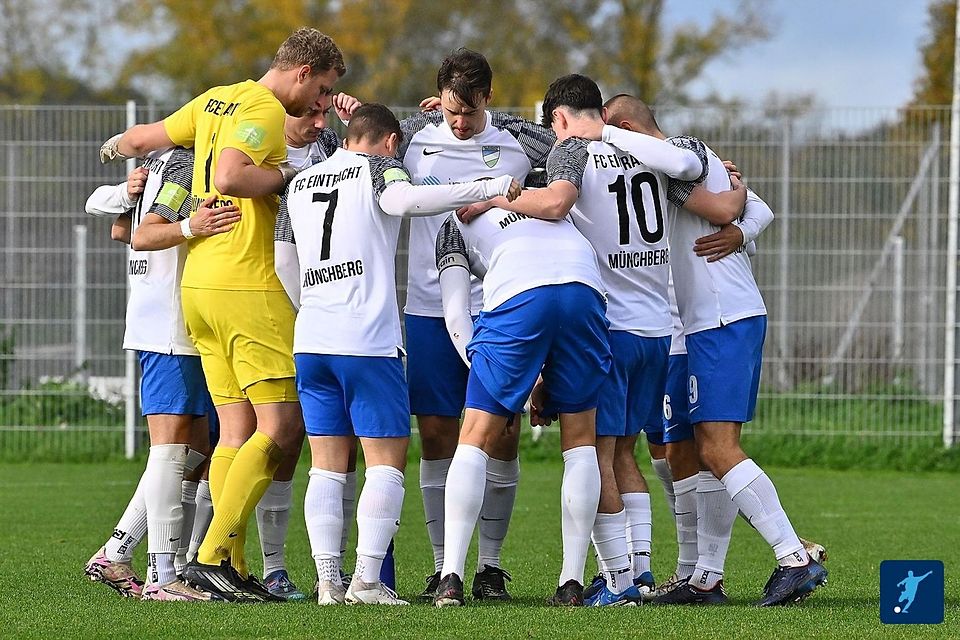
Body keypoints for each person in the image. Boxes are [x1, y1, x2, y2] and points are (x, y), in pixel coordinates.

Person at [471, 73, 743, 606]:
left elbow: (554, 200)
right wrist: (736, 196)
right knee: (624, 454)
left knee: (596, 453)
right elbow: (704, 191)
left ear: (559, 119)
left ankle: (616, 579)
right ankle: (639, 571)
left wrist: (495, 198)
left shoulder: (573, 153)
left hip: (610, 326)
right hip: (657, 330)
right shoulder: (648, 157)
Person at [100, 27, 347, 602]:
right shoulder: (262, 106)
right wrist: (290, 176)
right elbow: (233, 175)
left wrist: (115, 148)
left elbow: (141, 138)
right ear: (303, 71)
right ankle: (210, 554)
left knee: (235, 430)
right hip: (246, 282)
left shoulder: (216, 98)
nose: (320, 104)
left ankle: (228, 564)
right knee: (282, 426)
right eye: (322, 90)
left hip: (200, 286)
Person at [275, 103, 520, 605]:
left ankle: (328, 581)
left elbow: (283, 261)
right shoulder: (380, 167)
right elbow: (406, 200)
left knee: (326, 465)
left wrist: (314, 305)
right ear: (390, 142)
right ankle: (367, 580)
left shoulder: (300, 182)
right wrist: (487, 187)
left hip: (312, 339)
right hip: (367, 342)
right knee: (386, 462)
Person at [602, 94, 828, 607]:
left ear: (626, 129)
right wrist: (739, 222)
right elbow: (751, 204)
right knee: (694, 451)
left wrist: (738, 230)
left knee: (719, 448)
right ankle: (704, 577)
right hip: (695, 326)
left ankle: (794, 557)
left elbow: (752, 205)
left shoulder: (682, 153)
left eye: (610, 131)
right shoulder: (657, 169)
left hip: (723, 319)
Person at [398, 48, 555, 601]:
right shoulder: (413, 139)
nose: (459, 123)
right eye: (450, 111)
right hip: (427, 305)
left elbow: (577, 152)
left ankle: (490, 566)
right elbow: (360, 144)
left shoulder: (518, 142)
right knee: (437, 436)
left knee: (501, 437)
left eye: (468, 111)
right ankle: (444, 566)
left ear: (488, 97)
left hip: (499, 305)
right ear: (437, 99)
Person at [434, 197, 611, 607]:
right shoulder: (540, 201)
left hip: (519, 292)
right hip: (585, 291)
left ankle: (451, 577)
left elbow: (457, 314)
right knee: (581, 441)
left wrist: (496, 384)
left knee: (475, 437)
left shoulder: (453, 222)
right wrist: (537, 379)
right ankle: (571, 583)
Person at [83, 148, 232, 601]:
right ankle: (161, 575)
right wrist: (191, 227)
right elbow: (138, 233)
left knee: (198, 448)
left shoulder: (163, 163)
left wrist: (129, 194)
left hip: (174, 323)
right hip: (168, 327)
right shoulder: (186, 163)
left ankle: (122, 551)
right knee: (170, 449)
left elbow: (119, 228)